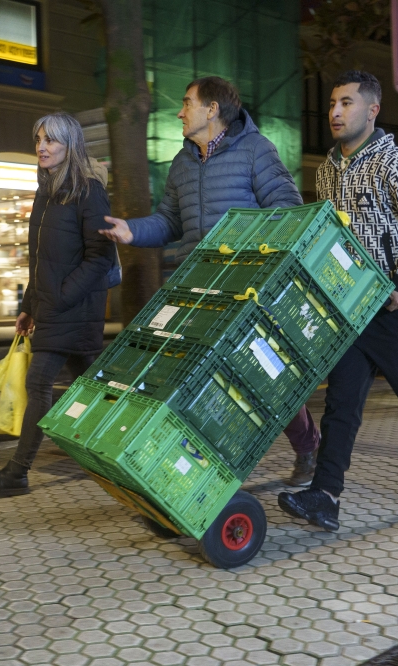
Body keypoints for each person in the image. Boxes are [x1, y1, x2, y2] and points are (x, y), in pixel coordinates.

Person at [99, 75, 321, 486]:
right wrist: (131, 231)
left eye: (187, 103)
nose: (180, 112)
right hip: (196, 287)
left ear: (212, 109)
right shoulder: (182, 163)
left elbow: (288, 210)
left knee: (264, 376)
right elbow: (169, 221)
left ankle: (308, 446)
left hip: (249, 287)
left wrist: (244, 245)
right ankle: (201, 471)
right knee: (197, 380)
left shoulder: (256, 150)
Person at [278, 70, 398, 531]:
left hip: (395, 312)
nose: (335, 112)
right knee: (341, 406)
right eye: (333, 103)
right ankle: (325, 496)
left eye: (347, 103)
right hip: (349, 311)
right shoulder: (326, 170)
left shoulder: (394, 165)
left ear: (372, 110)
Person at [0, 111, 117, 497]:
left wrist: (59, 297)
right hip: (54, 307)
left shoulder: (88, 190)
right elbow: (40, 259)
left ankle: (17, 473)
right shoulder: (46, 192)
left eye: (50, 140)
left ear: (71, 145)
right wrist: (29, 303)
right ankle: (123, 457)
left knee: (40, 382)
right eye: (38, 139)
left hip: (76, 308)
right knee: (93, 386)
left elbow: (100, 257)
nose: (41, 147)